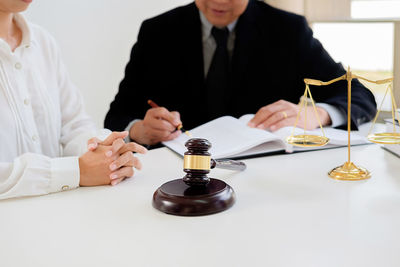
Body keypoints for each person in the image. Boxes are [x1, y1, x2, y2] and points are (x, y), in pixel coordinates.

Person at [104, 0, 377, 146]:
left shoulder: (288, 30)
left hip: (268, 176)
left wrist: (317, 113)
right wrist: (138, 130)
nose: (220, 1)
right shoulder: (157, 32)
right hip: (174, 178)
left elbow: (359, 95)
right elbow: (116, 116)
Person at [0, 0, 146, 200]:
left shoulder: (42, 42)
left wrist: (106, 151)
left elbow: (74, 124)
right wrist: (76, 171)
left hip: (58, 214)